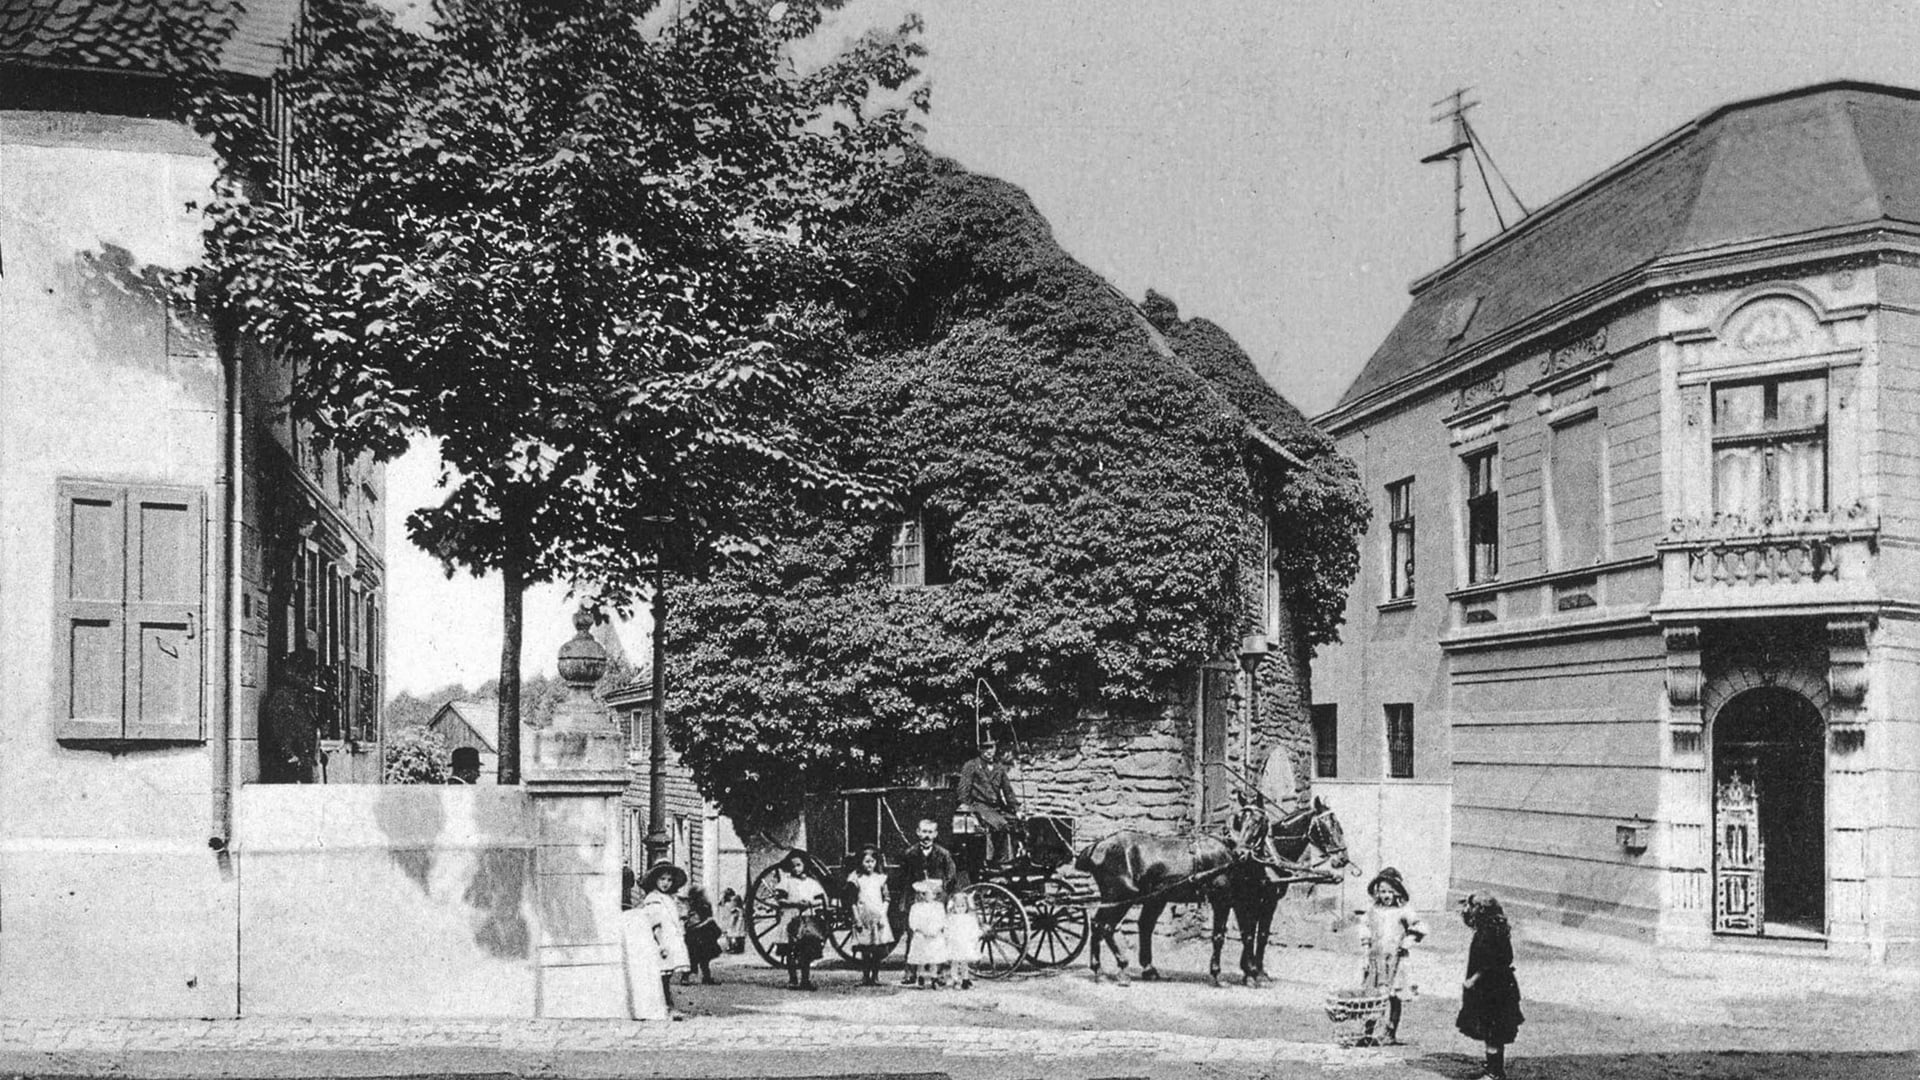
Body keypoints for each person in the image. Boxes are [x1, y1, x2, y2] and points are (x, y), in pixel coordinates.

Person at [1356, 866, 1428, 1044]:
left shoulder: (1404, 911)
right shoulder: (1372, 910)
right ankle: (1368, 1033)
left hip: (1396, 959)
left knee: (1394, 997)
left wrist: (1408, 941)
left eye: (1390, 891)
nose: (1386, 895)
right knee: (1373, 995)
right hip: (1376, 959)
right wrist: (1366, 952)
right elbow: (1364, 929)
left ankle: (1390, 1032)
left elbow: (1420, 927)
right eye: (1382, 891)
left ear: (1397, 892)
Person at [1456, 892, 1523, 1080]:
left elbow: (1491, 962)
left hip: (1493, 989)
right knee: (1491, 1030)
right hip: (1494, 987)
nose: (1467, 910)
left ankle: (1495, 1072)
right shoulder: (1490, 928)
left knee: (1493, 1029)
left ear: (1481, 909)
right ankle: (1493, 1068)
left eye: (1471, 906)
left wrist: (1473, 980)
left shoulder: (1490, 932)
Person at [892, 818, 958, 985]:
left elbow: (951, 876)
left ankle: (941, 974)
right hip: (917, 900)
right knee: (914, 936)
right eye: (924, 832)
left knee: (939, 936)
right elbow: (904, 879)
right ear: (918, 832)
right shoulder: (910, 853)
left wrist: (942, 893)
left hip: (937, 900)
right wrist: (906, 901)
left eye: (930, 832)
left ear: (935, 834)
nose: (926, 836)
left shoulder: (943, 854)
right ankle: (910, 973)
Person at [260, 650, 322, 784]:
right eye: (309, 674)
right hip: (290, 772)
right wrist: (291, 757)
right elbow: (279, 731)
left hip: (303, 768)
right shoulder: (284, 697)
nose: (311, 679)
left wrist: (318, 751)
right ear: (298, 673)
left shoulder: (300, 697)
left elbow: (307, 728)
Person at [639, 862, 691, 1020]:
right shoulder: (653, 899)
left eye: (669, 880)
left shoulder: (668, 898)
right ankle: (666, 1007)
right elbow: (655, 923)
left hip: (670, 939)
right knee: (662, 977)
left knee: (666, 977)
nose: (666, 883)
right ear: (655, 880)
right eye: (662, 879)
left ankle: (667, 1006)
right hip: (661, 942)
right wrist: (661, 943)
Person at [956, 738, 1021, 864]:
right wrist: (968, 809)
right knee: (1000, 824)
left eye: (991, 747)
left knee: (1017, 823)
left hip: (996, 807)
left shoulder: (999, 768)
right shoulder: (971, 766)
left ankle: (1014, 857)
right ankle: (997, 861)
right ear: (980, 749)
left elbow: (1008, 792)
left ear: (995, 748)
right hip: (978, 805)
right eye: (985, 748)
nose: (988, 751)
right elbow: (963, 791)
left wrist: (1016, 809)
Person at [774, 850, 828, 991]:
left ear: (804, 865)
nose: (795, 868)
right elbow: (780, 901)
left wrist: (809, 903)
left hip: (806, 920)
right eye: (792, 866)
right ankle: (793, 979)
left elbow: (820, 901)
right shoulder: (786, 882)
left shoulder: (811, 883)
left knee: (806, 951)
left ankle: (805, 979)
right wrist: (795, 903)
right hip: (790, 918)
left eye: (798, 865)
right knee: (790, 951)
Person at [845, 845, 894, 987]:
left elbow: (887, 898)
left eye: (872, 861)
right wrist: (857, 919)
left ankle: (875, 976)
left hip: (878, 918)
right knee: (865, 949)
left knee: (877, 949)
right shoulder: (857, 879)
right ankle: (865, 976)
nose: (869, 865)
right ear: (861, 862)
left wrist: (882, 915)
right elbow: (852, 901)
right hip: (863, 917)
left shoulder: (880, 879)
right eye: (866, 862)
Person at [618, 888, 669, 1020]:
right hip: (631, 944)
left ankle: (645, 1009)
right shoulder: (647, 904)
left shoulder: (653, 905)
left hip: (643, 944)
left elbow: (656, 926)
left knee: (644, 975)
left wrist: (662, 944)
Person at [904, 878, 950, 988]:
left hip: (934, 935)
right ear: (923, 895)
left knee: (934, 958)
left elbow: (942, 920)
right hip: (921, 935)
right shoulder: (916, 907)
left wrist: (936, 930)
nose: (932, 895)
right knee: (921, 958)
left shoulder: (938, 906)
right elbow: (913, 922)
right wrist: (921, 930)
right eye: (929, 893)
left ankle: (934, 978)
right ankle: (920, 977)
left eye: (934, 893)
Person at [681, 886, 724, 986]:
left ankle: (699, 977)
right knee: (700, 960)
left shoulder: (694, 907)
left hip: (699, 937)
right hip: (699, 937)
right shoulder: (699, 907)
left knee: (696, 959)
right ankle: (700, 977)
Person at [945, 889, 981, 990]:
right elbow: (948, 929)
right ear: (953, 907)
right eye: (958, 906)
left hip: (965, 943)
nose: (960, 909)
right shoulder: (952, 918)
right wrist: (948, 939)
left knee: (965, 962)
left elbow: (973, 929)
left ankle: (965, 979)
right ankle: (955, 979)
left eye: (963, 906)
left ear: (966, 906)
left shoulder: (969, 918)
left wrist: (973, 939)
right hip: (955, 943)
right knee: (955, 962)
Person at [718, 887, 745, 953]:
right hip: (739, 918)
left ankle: (734, 948)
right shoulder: (736, 899)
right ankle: (736, 948)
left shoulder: (734, 899)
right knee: (736, 933)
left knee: (734, 933)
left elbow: (734, 911)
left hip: (737, 918)